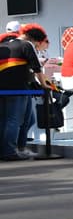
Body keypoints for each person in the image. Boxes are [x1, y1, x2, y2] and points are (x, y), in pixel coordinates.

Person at [0, 24, 49, 160]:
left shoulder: (5, 45)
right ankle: (9, 151)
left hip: (6, 89)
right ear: (34, 40)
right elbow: (37, 68)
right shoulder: (26, 45)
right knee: (13, 120)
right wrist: (44, 85)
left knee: (16, 119)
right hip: (18, 88)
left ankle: (17, 148)